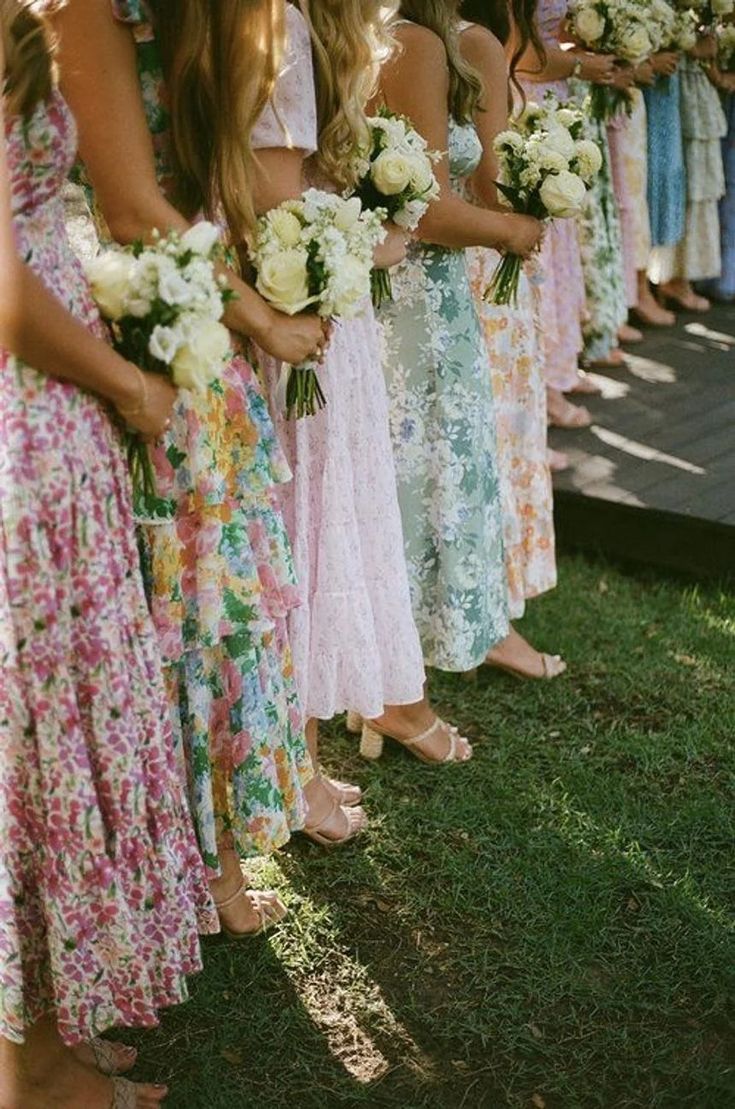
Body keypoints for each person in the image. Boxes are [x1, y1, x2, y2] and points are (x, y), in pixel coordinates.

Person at [53, 0, 325, 937]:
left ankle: (206, 856)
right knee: (162, 611)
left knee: (218, 608)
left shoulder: (209, 22)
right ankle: (171, 864)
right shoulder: (88, 15)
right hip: (120, 343)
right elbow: (130, 206)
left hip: (194, 338)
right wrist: (264, 317)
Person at [0, 1, 213, 1103]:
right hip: (24, 418)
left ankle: (41, 1028)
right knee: (26, 733)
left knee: (42, 723)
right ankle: (29, 1070)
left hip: (49, 412)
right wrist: (131, 383)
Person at [251, 1, 471, 789]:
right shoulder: (279, 29)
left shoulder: (317, 36)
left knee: (319, 517)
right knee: (302, 523)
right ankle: (296, 770)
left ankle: (300, 759)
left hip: (321, 318)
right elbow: (276, 208)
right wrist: (369, 239)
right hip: (290, 314)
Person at [376, 0, 543, 687]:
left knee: (421, 470)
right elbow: (425, 210)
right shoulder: (415, 44)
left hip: (426, 292)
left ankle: (396, 670)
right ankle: (394, 679)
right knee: (417, 473)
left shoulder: (425, 39)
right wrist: (513, 233)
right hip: (419, 296)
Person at [457, 2, 565, 679]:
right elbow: (491, 181)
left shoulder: (395, 32)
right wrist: (549, 188)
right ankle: (490, 619)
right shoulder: (478, 42)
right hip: (477, 258)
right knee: (493, 436)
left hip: (428, 258)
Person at [515, 0, 617, 427]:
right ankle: (546, 391)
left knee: (560, 250)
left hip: (556, 100)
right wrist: (579, 65)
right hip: (530, 102)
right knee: (545, 259)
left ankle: (560, 369)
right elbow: (518, 54)